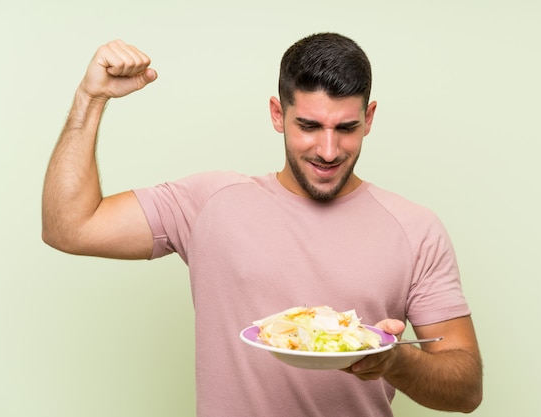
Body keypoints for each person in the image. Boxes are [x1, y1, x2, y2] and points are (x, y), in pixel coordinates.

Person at [42, 33, 482, 416]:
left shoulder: (414, 228)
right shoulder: (209, 202)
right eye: (308, 126)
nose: (328, 150)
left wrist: (394, 362)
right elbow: (69, 227)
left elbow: (466, 389)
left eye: (346, 128)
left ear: (368, 119)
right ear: (277, 114)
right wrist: (90, 98)